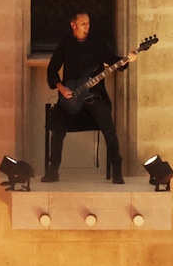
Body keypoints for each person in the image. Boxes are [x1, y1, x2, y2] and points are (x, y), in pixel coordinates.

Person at [42, 11, 136, 184]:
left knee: (110, 130)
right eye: (83, 23)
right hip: (71, 97)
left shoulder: (97, 42)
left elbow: (112, 60)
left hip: (94, 96)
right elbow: (52, 69)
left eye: (88, 23)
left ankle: (117, 171)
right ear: (73, 25)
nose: (87, 26)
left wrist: (127, 60)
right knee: (57, 127)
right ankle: (53, 171)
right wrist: (61, 88)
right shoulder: (66, 43)